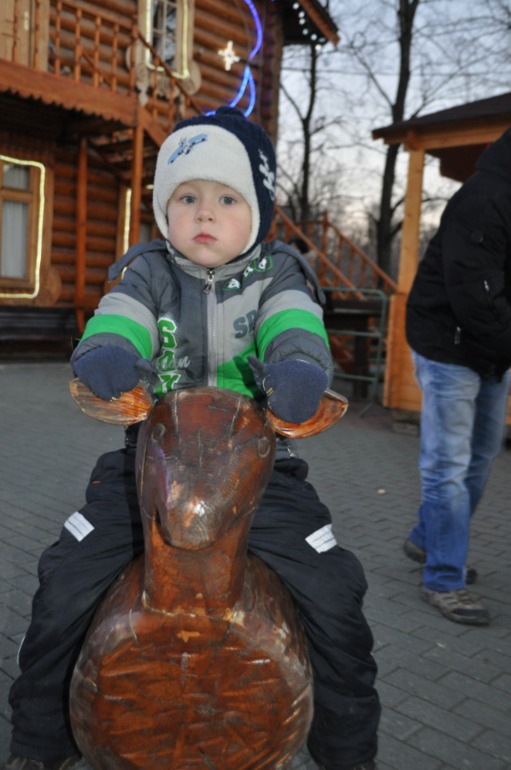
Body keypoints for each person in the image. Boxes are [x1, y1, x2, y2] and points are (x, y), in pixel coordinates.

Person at [3, 107, 380, 770]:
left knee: (334, 590)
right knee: (63, 582)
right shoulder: (148, 269)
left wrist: (298, 367)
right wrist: (110, 349)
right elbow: (123, 313)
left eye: (226, 198)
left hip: (263, 473)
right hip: (145, 467)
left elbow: (293, 324)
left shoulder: (278, 273)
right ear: (163, 209)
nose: (204, 214)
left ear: (258, 211)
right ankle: (41, 741)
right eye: (186, 197)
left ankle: (347, 748)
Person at [404, 127, 511, 626]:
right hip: (447, 344)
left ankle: (428, 539)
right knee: (447, 465)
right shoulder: (485, 199)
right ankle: (444, 578)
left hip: (490, 348)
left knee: (481, 458)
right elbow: (475, 291)